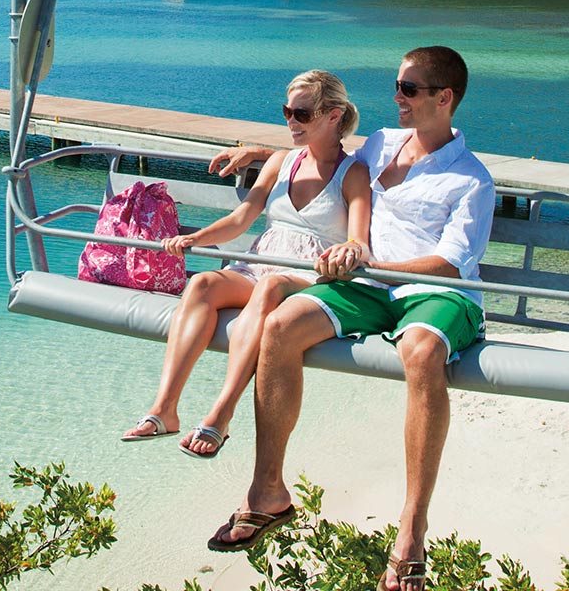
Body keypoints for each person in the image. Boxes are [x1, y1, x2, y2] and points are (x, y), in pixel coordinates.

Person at [201, 47, 494, 591]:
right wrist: (261, 153)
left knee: (422, 351)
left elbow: (453, 263)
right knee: (280, 325)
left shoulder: (472, 179)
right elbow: (326, 155)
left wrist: (368, 259)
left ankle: (412, 526)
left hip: (435, 290)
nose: (396, 97)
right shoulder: (382, 143)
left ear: (444, 98)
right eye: (397, 86)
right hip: (367, 285)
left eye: (408, 89)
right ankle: (268, 490)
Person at [120, 70, 373, 461]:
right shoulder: (281, 162)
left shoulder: (352, 173)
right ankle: (164, 408)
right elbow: (242, 218)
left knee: (272, 290)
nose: (290, 122)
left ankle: (221, 413)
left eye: (301, 115)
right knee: (203, 283)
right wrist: (193, 238)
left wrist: (352, 250)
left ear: (333, 116)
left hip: (311, 278)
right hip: (261, 263)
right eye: (287, 111)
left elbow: (359, 238)